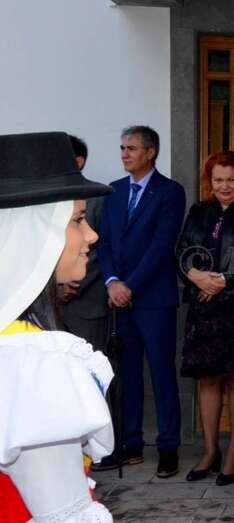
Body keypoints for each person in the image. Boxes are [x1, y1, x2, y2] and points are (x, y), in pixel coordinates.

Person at [0, 131, 115, 521]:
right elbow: (65, 514)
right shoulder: (32, 361)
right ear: (32, 233)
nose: (92, 235)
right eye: (78, 220)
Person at [93, 125, 186, 478]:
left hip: (154, 299)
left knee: (161, 372)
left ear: (151, 152)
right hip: (119, 298)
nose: (124, 154)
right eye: (122, 148)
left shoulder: (170, 192)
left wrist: (129, 285)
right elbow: (103, 243)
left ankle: (168, 447)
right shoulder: (114, 191)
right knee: (126, 374)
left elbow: (161, 246)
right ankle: (129, 444)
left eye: (131, 148)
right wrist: (112, 282)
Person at [176, 151, 234, 485]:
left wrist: (223, 280)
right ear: (209, 182)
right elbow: (182, 250)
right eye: (218, 180)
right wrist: (196, 275)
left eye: (231, 180)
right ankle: (210, 451)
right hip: (202, 305)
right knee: (207, 379)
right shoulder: (199, 211)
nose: (224, 186)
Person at [60, 135, 110, 360]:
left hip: (88, 302)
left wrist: (73, 283)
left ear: (78, 162)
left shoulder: (99, 197)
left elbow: (104, 248)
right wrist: (57, 285)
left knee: (89, 368)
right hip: (53, 303)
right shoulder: (49, 199)